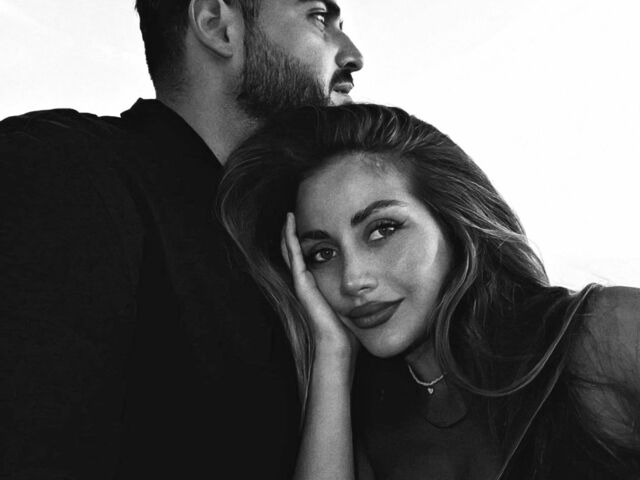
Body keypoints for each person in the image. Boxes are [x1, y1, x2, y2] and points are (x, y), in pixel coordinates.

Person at [0, 1, 363, 478]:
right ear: (216, 24)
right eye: (318, 17)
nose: (353, 55)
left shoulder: (306, 244)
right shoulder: (60, 170)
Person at [218, 103, 640, 479]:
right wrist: (332, 354)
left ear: (452, 222)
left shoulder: (606, 333)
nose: (352, 279)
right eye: (323, 253)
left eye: (382, 230)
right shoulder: (365, 426)